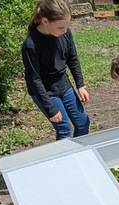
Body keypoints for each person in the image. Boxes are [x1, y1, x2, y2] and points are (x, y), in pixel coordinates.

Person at [22, 0, 90, 141]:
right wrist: (50, 108)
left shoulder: (64, 33)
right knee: (64, 129)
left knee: (83, 123)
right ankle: (64, 161)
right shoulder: (30, 45)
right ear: (45, 21)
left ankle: (77, 156)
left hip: (63, 86)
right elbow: (35, 80)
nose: (64, 31)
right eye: (60, 27)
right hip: (45, 92)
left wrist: (80, 84)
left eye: (66, 26)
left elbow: (73, 59)